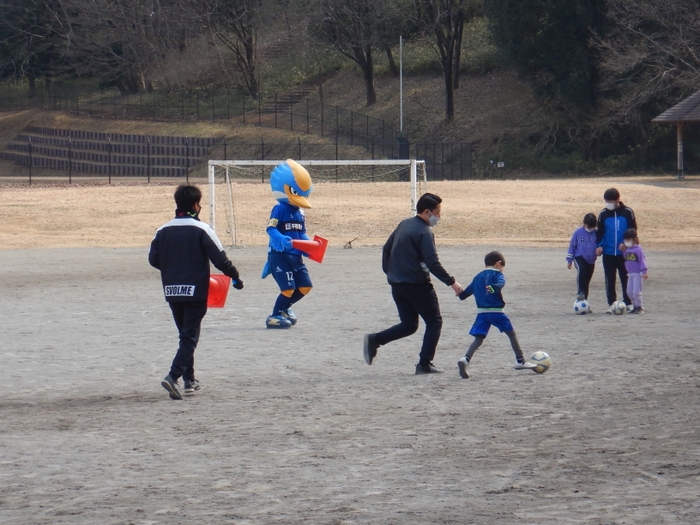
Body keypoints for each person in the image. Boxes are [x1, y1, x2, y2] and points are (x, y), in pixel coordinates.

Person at [149, 184, 244, 400]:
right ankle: (173, 377)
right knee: (190, 337)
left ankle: (189, 380)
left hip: (172, 291)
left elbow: (153, 259)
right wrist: (236, 277)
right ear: (195, 205)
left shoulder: (162, 230)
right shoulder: (202, 229)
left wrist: (174, 270)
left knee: (184, 335)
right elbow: (220, 259)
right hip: (196, 291)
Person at [363, 193, 463, 374]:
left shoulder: (404, 224)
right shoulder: (425, 232)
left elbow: (386, 248)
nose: (439, 216)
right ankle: (424, 364)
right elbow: (432, 263)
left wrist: (390, 272)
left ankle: (375, 339)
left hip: (397, 284)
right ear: (427, 212)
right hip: (417, 285)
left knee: (409, 324)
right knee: (434, 322)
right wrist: (452, 282)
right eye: (438, 212)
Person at [456, 251, 537, 379]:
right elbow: (500, 283)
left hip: (482, 313)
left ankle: (465, 359)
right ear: (499, 263)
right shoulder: (498, 274)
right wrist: (494, 287)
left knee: (479, 338)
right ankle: (520, 360)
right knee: (511, 334)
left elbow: (465, 294)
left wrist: (460, 293)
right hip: (496, 312)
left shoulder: (477, 277)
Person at [261, 159, 315, 329]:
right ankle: (275, 315)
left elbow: (301, 233)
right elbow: (270, 229)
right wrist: (281, 240)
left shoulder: (300, 212)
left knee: (305, 286)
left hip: (296, 256)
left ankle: (285, 308)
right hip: (280, 256)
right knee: (288, 289)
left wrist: (309, 246)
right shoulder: (279, 208)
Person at [596, 188, 637, 314]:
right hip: (608, 253)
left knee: (626, 277)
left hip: (625, 253)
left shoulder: (628, 212)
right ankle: (611, 303)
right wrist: (599, 246)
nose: (608, 203)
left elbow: (633, 230)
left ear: (618, 199)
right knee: (609, 278)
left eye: (611, 201)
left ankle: (628, 302)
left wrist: (626, 244)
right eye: (606, 201)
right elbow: (600, 233)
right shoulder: (603, 214)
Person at [566, 212, 599, 302]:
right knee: (582, 269)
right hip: (579, 257)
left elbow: (600, 245)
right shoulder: (578, 232)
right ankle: (580, 291)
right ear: (584, 223)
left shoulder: (596, 233)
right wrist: (569, 260)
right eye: (588, 226)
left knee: (586, 282)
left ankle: (584, 302)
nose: (590, 228)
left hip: (591, 260)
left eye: (592, 227)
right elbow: (572, 246)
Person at [621, 228, 648, 314]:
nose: (626, 241)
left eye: (628, 239)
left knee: (636, 291)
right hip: (630, 274)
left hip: (637, 274)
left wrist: (644, 271)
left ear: (634, 239)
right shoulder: (628, 249)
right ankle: (635, 305)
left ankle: (639, 306)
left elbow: (642, 260)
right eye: (625, 239)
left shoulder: (638, 249)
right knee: (629, 292)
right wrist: (623, 251)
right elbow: (626, 258)